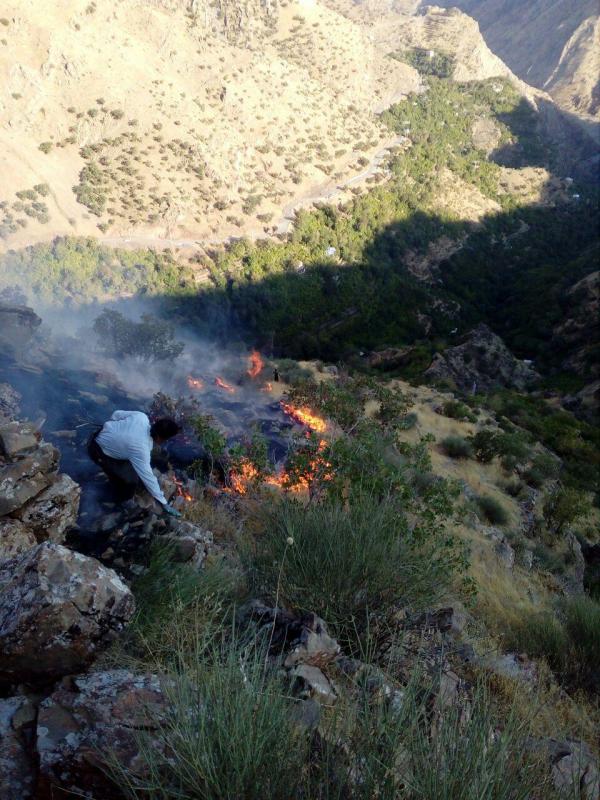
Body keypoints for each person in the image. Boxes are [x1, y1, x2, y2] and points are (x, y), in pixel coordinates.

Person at [88, 410, 182, 516]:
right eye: (166, 439)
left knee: (148, 455)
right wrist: (164, 503)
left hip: (100, 433)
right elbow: (148, 478)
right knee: (131, 480)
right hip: (98, 450)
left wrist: (118, 431)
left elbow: (115, 414)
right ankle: (121, 502)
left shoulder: (141, 417)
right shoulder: (141, 450)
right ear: (160, 438)